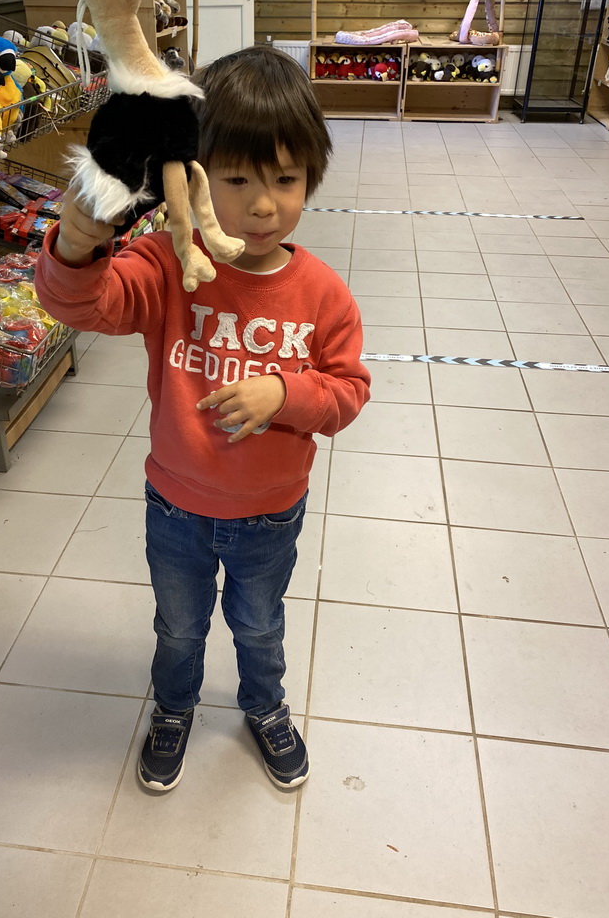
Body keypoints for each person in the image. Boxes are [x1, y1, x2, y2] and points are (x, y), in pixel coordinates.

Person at [35, 45, 371, 793]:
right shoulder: (165, 262)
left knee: (259, 625)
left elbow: (347, 393)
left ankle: (265, 705)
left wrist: (286, 395)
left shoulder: (323, 295)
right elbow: (81, 304)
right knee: (179, 627)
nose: (261, 205)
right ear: (191, 176)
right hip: (177, 505)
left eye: (285, 180)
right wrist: (77, 246)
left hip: (269, 513)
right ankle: (174, 708)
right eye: (237, 179)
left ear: (310, 179)